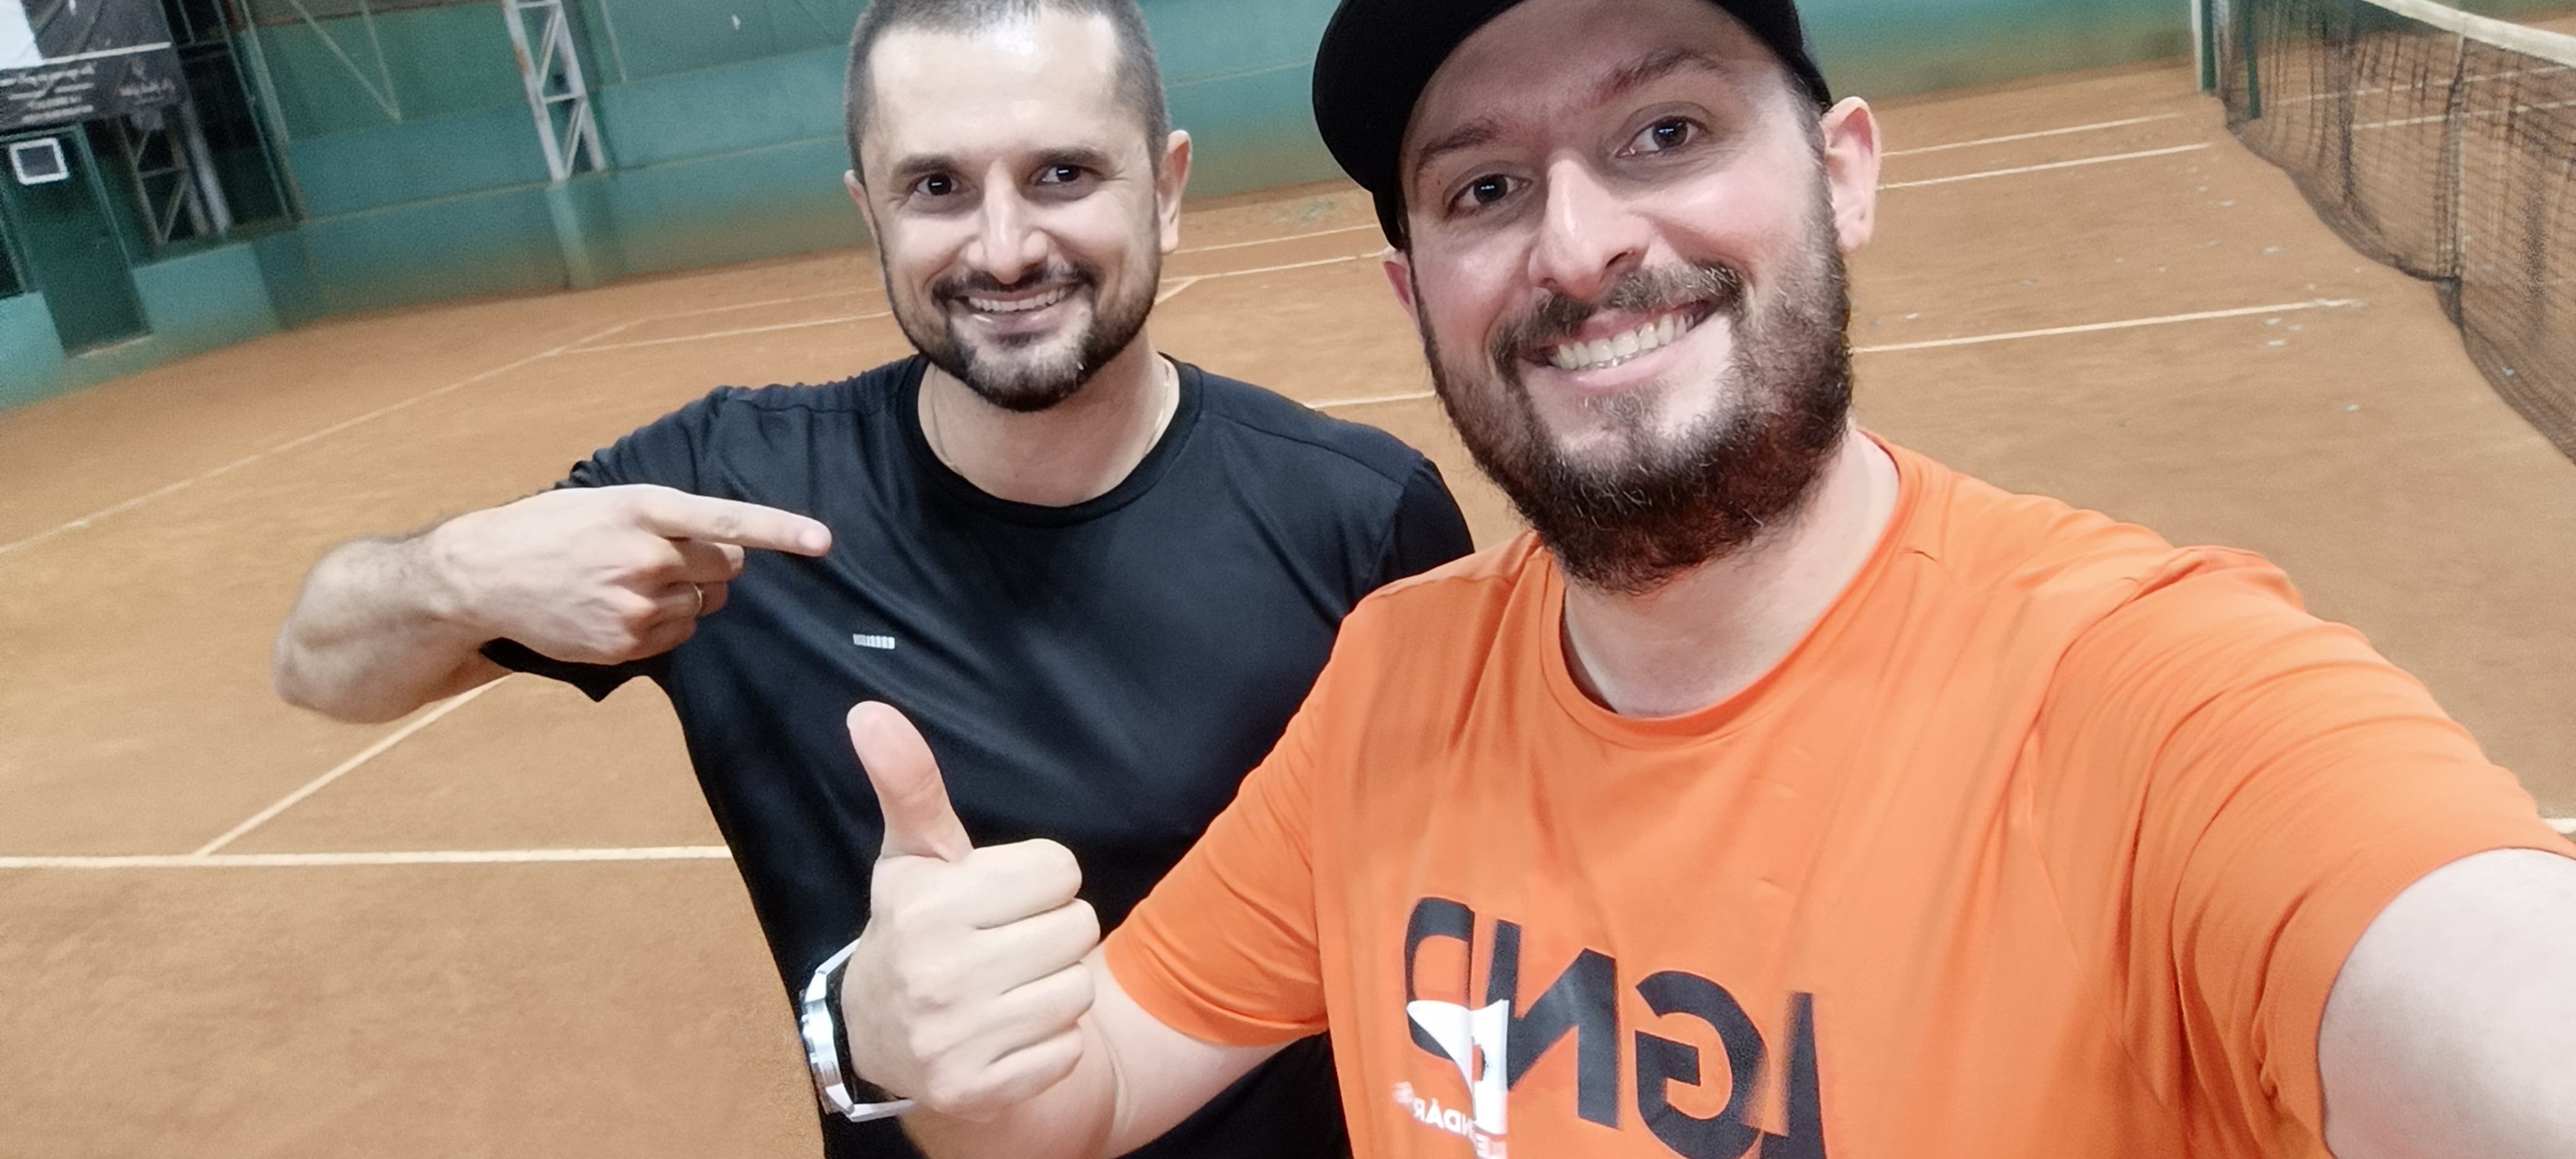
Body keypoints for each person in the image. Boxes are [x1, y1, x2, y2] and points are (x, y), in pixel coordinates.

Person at [833, 0, 2576, 1156]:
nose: (1582, 243)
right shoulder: (1394, 683)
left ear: (1842, 173)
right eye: (1484, 186)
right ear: (1415, 294)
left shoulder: (2150, 701)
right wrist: (930, 1042)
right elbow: (1082, 1097)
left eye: (1665, 132)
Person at [269, 1, 1474, 1156]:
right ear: (871, 214)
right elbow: (319, 666)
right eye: (935, 187)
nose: (1004, 248)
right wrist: (456, 571)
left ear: (1165, 192)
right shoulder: (727, 500)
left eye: (1062, 174)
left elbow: (1463, 936)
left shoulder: (1358, 518)